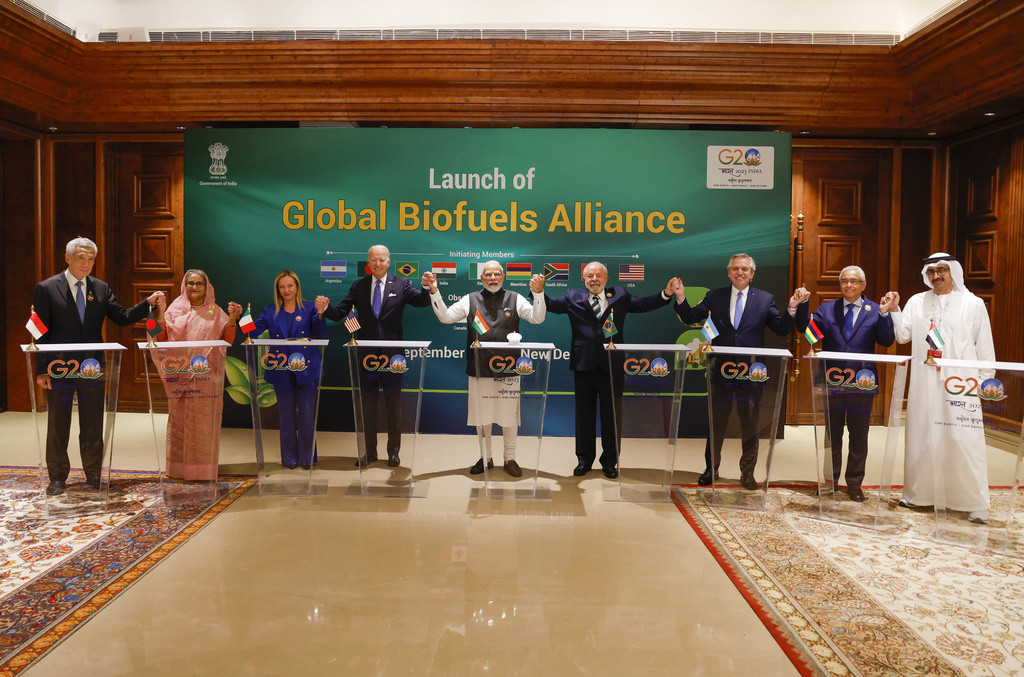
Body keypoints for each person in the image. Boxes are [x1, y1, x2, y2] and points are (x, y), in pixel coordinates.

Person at [33, 237, 164, 496]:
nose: (86, 263)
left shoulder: (101, 288)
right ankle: (57, 477)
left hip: (93, 366)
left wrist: (147, 303)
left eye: (91, 259)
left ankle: (93, 474)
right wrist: (41, 369)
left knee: (92, 423)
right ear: (67, 258)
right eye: (81, 257)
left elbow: (123, 317)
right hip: (59, 366)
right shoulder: (47, 288)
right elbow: (40, 330)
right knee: (58, 423)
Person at [675, 253, 807, 490]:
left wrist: (792, 307)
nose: (740, 272)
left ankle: (748, 473)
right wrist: (681, 297)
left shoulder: (765, 299)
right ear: (728, 272)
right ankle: (711, 470)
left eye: (745, 269)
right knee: (716, 424)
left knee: (750, 424)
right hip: (721, 371)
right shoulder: (715, 296)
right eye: (735, 268)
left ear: (752, 273)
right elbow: (690, 317)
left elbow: (781, 328)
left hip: (751, 373)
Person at [545, 262, 683, 479]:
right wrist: (537, 293)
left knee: (612, 417)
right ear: (583, 279)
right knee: (584, 416)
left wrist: (666, 293)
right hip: (583, 365)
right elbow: (551, 305)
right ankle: (584, 460)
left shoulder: (620, 295)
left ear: (606, 278)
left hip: (612, 366)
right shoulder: (572, 296)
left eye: (598, 275)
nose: (594, 279)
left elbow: (645, 303)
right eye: (589, 276)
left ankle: (610, 462)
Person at [889, 253, 995, 523]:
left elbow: (984, 346)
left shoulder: (973, 304)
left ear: (954, 272)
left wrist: (984, 381)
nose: (936, 276)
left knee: (963, 439)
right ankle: (920, 495)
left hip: (961, 381)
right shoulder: (917, 301)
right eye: (931, 271)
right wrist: (894, 310)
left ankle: (974, 501)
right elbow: (902, 336)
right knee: (923, 435)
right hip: (925, 381)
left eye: (942, 270)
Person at [422, 261, 546, 477]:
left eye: (497, 274)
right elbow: (445, 317)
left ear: (503, 276)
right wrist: (434, 291)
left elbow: (538, 318)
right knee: (482, 416)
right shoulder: (470, 299)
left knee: (509, 416)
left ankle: (510, 458)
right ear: (481, 278)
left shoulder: (515, 298)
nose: (492, 278)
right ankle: (486, 457)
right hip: (479, 368)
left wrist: (538, 294)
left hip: (509, 369)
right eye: (488, 274)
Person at [315, 244, 431, 467]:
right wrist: (325, 309)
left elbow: (422, 302)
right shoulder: (358, 286)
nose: (377, 264)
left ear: (389, 261)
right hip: (365, 356)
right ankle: (369, 453)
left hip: (393, 357)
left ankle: (394, 453)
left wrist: (427, 288)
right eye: (373, 261)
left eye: (381, 260)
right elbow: (340, 312)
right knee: (368, 407)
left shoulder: (402, 283)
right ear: (368, 263)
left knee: (393, 406)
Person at [795, 265, 897, 501]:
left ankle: (854, 484)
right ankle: (831, 482)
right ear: (839, 285)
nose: (848, 285)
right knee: (833, 434)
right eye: (844, 281)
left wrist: (884, 314)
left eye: (854, 281)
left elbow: (886, 339)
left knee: (859, 434)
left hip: (863, 382)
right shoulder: (827, 308)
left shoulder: (875, 309)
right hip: (833, 381)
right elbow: (808, 333)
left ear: (863, 285)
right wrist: (801, 306)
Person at [152, 270, 242, 480]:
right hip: (180, 375)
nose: (194, 287)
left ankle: (202, 470)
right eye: (190, 283)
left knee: (203, 424)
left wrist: (233, 319)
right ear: (185, 285)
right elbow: (161, 338)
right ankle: (177, 468)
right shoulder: (174, 310)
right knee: (179, 423)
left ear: (206, 286)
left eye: (199, 283)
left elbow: (227, 341)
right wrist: (161, 311)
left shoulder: (216, 311)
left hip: (206, 378)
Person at [249, 270, 327, 470]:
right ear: (278, 289)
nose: (286, 290)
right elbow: (251, 332)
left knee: (307, 415)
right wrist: (239, 317)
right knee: (286, 416)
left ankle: (307, 457)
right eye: (282, 287)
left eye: (290, 286)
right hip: (281, 369)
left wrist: (320, 313)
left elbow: (319, 334)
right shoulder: (269, 311)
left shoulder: (310, 308)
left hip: (307, 369)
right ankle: (289, 458)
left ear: (297, 287)